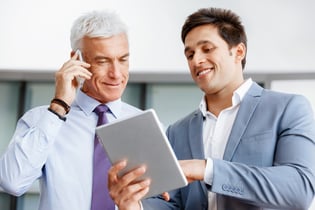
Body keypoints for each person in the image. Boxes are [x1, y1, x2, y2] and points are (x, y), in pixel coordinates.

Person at [107, 7, 315, 210]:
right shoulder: (178, 131)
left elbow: (299, 189)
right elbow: (172, 202)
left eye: (207, 49)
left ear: (238, 51)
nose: (196, 60)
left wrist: (206, 169)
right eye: (190, 54)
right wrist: (136, 206)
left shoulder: (288, 108)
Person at [0, 10, 141, 210]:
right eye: (103, 61)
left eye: (123, 60)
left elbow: (161, 201)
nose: (116, 74)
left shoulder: (146, 125)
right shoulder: (42, 120)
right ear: (76, 59)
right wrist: (59, 105)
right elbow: (12, 182)